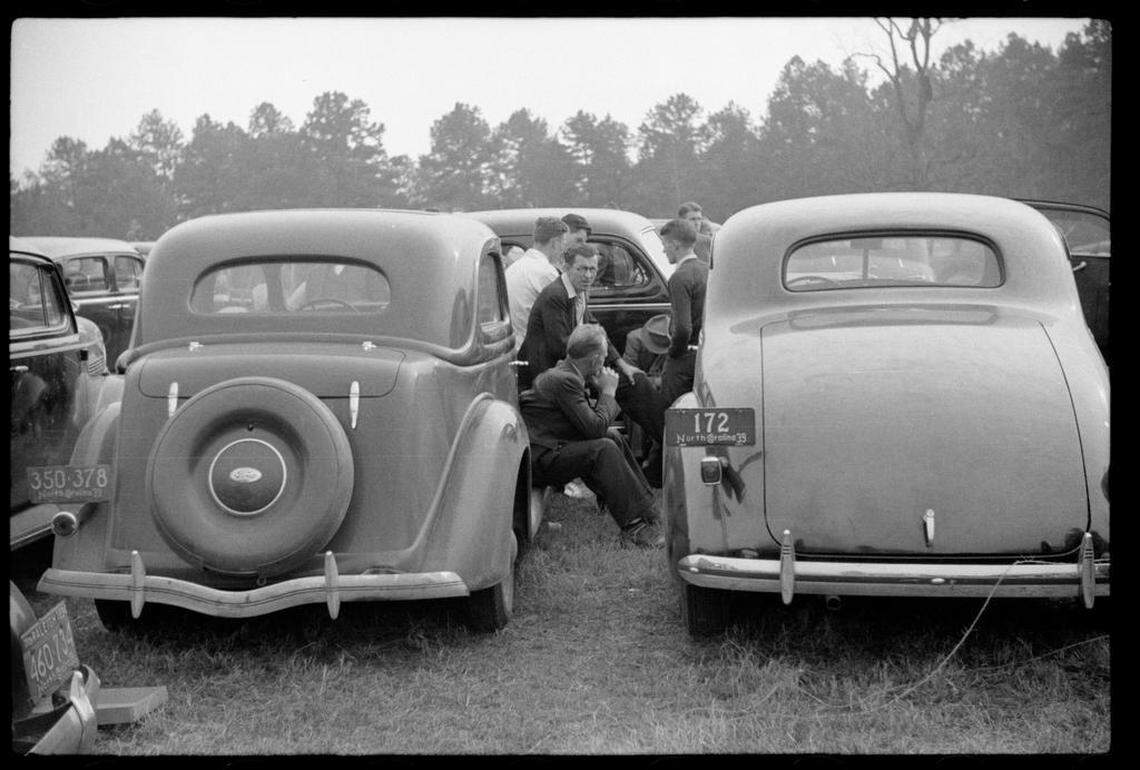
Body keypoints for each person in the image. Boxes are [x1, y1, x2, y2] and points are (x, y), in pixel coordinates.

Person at [517, 243, 666, 481]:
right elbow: (561, 346)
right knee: (628, 387)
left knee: (635, 380)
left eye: (592, 269)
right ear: (567, 267)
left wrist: (620, 363)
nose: (588, 275)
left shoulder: (579, 292)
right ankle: (661, 453)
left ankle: (662, 453)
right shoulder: (555, 295)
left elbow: (595, 328)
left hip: (575, 367)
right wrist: (597, 371)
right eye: (582, 269)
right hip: (553, 376)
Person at [519, 323, 664, 548]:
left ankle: (647, 510)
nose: (605, 363)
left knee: (613, 437)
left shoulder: (567, 373)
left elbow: (590, 425)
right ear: (596, 359)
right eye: (605, 357)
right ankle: (634, 528)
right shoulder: (565, 380)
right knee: (603, 449)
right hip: (541, 458)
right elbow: (594, 429)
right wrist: (608, 392)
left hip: (552, 447)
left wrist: (600, 390)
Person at [659, 218, 709, 409]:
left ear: (675, 244)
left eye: (665, 244)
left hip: (684, 359)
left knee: (672, 412)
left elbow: (682, 328)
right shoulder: (707, 270)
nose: (664, 250)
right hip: (705, 355)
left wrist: (673, 354)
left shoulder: (679, 277)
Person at [505, 216, 569, 342]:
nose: (564, 249)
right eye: (563, 244)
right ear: (555, 243)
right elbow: (563, 319)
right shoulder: (546, 272)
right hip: (533, 346)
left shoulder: (515, 267)